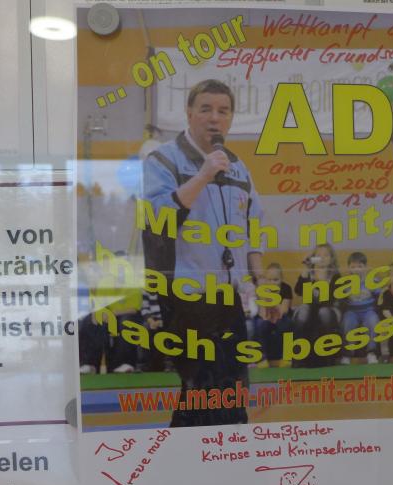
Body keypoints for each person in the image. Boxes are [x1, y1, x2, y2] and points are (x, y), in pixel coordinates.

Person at [142, 79, 266, 427]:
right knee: (204, 388)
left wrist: (262, 284)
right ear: (189, 113)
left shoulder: (238, 167)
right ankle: (200, 453)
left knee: (233, 389)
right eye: (206, 109)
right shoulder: (162, 160)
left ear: (231, 118)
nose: (215, 118)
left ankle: (227, 450)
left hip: (228, 296)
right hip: (185, 295)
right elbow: (158, 220)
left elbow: (253, 228)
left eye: (223, 111)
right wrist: (203, 175)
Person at [293, 243, 341, 367]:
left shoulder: (335, 276)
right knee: (303, 311)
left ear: (332, 259)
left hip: (328, 310)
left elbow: (329, 301)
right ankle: (298, 356)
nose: (322, 258)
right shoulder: (310, 274)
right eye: (318, 255)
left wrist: (322, 282)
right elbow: (299, 291)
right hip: (310, 310)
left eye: (326, 255)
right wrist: (306, 270)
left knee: (323, 312)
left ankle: (328, 357)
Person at [341, 251, 381, 364]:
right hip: (352, 311)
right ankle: (347, 354)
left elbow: (380, 297)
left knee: (373, 321)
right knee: (347, 323)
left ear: (365, 268)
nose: (357, 269)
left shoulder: (372, 280)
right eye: (353, 267)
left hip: (368, 311)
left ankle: (371, 353)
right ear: (349, 268)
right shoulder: (345, 282)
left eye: (360, 266)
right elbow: (341, 299)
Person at [254, 262, 294, 366]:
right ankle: (261, 358)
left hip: (281, 316)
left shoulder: (286, 288)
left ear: (281, 279)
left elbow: (284, 310)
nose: (272, 283)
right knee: (259, 324)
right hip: (267, 317)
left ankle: (287, 357)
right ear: (265, 280)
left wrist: (272, 299)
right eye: (269, 280)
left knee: (287, 324)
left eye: (276, 280)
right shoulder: (262, 289)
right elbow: (262, 311)